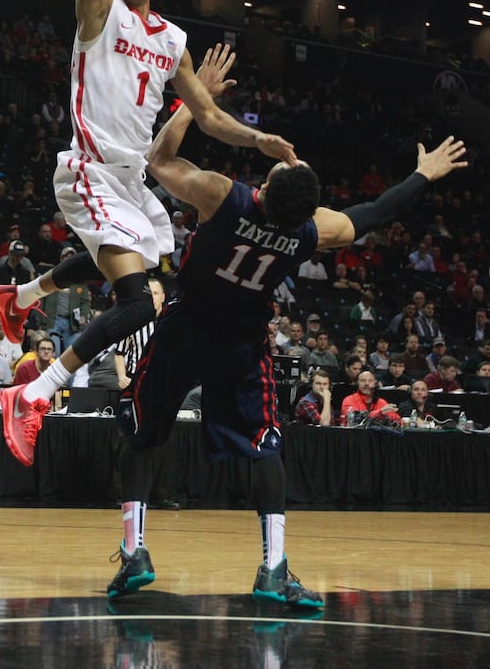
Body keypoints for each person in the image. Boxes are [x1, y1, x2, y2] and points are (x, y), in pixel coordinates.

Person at [0, 0, 297, 467]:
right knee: (140, 300)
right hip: (90, 169)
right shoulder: (96, 15)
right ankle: (34, 394)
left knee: (139, 279)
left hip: (129, 181)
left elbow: (207, 122)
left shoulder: (169, 41)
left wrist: (257, 138)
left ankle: (15, 298)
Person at [105, 80, 465, 608]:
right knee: (264, 448)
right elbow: (374, 212)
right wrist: (422, 174)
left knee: (143, 435)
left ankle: (135, 550)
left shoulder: (223, 197)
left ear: (266, 189)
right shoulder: (309, 233)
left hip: (186, 327)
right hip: (242, 342)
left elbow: (158, 160)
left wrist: (195, 98)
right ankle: (273, 568)